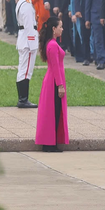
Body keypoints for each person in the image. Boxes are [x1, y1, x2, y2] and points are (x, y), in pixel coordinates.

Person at [36, 16, 70, 153]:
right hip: (53, 82)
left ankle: (51, 142)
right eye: (60, 27)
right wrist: (60, 86)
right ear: (53, 29)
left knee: (53, 111)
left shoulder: (51, 44)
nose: (62, 29)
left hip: (52, 81)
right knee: (53, 111)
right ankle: (50, 143)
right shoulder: (52, 45)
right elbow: (56, 67)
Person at [15, 0, 40, 109]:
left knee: (23, 69)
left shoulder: (23, 2)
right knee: (25, 71)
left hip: (24, 39)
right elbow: (29, 26)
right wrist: (33, 44)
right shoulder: (26, 5)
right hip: (27, 41)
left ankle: (23, 99)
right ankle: (23, 99)